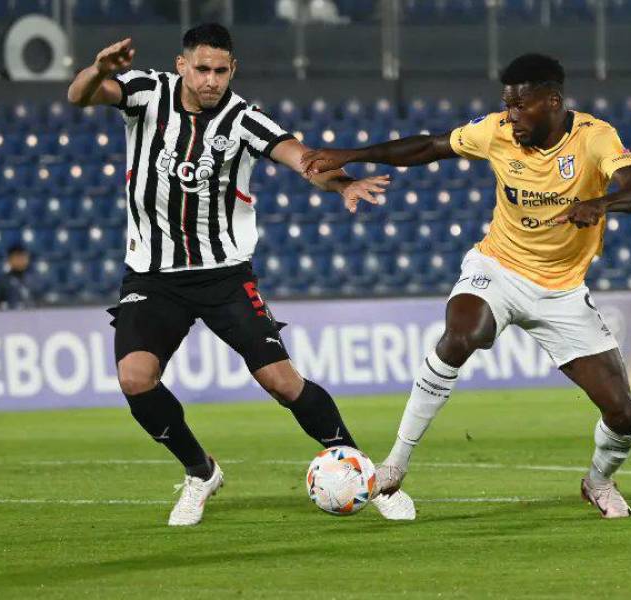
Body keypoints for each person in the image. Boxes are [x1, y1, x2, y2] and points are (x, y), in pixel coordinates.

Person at [66, 23, 412, 526]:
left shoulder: (244, 119)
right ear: (182, 64)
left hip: (225, 276)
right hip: (153, 276)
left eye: (220, 71)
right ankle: (200, 472)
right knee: (135, 379)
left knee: (282, 382)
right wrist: (98, 69)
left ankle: (366, 477)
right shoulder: (146, 93)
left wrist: (341, 186)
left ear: (233, 71)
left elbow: (301, 158)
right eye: (202, 68)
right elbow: (79, 96)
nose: (211, 80)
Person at [302, 53, 631, 519]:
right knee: (461, 335)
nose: (511, 117)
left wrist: (601, 203)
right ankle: (394, 465)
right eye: (507, 106)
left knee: (623, 414)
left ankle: (599, 482)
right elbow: (429, 147)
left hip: (562, 290)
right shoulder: (495, 132)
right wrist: (353, 155)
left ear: (553, 101)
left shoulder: (594, 138)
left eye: (521, 106)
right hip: (499, 268)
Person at [0, 243, 37, 310]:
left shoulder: (34, 279)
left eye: (23, 257)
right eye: (17, 257)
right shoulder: (3, 281)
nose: (21, 260)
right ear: (9, 260)